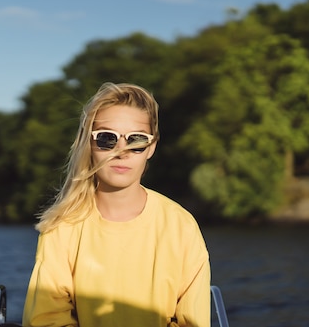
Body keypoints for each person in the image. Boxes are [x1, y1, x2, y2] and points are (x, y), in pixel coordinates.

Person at [22, 82, 211, 327]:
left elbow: (192, 322)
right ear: (89, 144)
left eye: (136, 140)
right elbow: (46, 320)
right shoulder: (63, 226)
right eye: (107, 139)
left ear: (151, 147)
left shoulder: (181, 226)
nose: (121, 151)